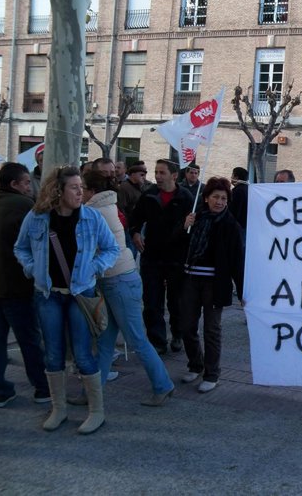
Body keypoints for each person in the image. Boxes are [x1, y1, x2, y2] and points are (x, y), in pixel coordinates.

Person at [14, 166, 119, 434]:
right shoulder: (37, 217)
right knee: (53, 353)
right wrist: (31, 268)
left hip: (81, 294)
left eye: (81, 187)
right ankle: (59, 409)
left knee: (83, 354)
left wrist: (95, 267)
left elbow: (112, 248)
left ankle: (97, 411)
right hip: (48, 295)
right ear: (58, 190)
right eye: (75, 187)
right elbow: (21, 247)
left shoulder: (91, 218)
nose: (80, 192)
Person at [82, 171, 174, 406]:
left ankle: (163, 385)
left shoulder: (93, 211)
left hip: (118, 280)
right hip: (119, 278)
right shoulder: (107, 205)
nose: (79, 192)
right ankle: (92, 393)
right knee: (105, 340)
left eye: (81, 187)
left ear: (91, 190)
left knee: (136, 339)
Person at [179, 177, 244, 393]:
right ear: (206, 198)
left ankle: (212, 373)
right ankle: (195, 364)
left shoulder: (230, 225)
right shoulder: (194, 220)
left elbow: (237, 261)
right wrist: (183, 227)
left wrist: (242, 291)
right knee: (187, 327)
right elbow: (175, 246)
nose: (219, 201)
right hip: (190, 279)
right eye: (215, 197)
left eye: (224, 198)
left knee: (212, 329)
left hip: (215, 284)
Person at [0, 163, 49, 408]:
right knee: (29, 339)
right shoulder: (25, 206)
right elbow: (39, 244)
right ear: (14, 184)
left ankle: (0, 390)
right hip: (16, 285)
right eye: (26, 182)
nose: (30, 187)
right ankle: (42, 387)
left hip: (5, 285)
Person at [130, 159, 193, 355]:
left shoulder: (186, 197)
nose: (157, 176)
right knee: (151, 301)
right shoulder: (148, 195)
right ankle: (157, 340)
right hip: (152, 255)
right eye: (156, 172)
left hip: (176, 256)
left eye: (162, 172)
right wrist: (135, 233)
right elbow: (135, 218)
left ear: (174, 176)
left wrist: (186, 226)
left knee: (177, 300)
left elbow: (193, 230)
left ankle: (177, 334)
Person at [229, 166, 248, 232]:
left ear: (236, 177)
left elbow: (234, 211)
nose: (231, 177)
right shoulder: (248, 189)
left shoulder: (238, 191)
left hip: (238, 227)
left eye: (232, 175)